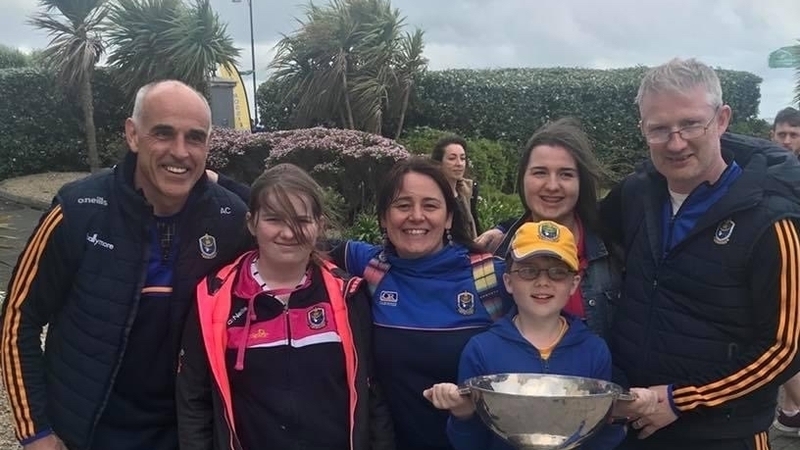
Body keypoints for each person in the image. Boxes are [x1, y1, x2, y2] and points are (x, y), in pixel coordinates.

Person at [0, 80, 250, 450]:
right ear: (133, 135)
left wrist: (363, 262)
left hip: (189, 435)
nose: (180, 152)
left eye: (195, 138)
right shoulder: (78, 210)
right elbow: (18, 318)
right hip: (89, 432)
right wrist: (36, 433)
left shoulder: (230, 219)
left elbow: (294, 238)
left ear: (208, 145)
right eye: (163, 133)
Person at [601, 58, 800, 449]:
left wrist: (681, 400)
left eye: (691, 124)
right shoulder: (637, 193)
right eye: (659, 129)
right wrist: (504, 231)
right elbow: (579, 218)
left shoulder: (772, 221)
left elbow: (786, 348)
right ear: (643, 130)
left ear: (722, 119)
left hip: (724, 435)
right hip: (635, 426)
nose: (676, 143)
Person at [176, 163, 394, 450]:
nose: (289, 233)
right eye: (275, 219)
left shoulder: (347, 295)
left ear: (320, 225)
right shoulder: (214, 298)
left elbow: (372, 392)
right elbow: (194, 400)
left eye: (302, 221)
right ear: (252, 223)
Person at [330, 156, 512, 450]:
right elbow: (295, 243)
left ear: (449, 217)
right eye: (403, 205)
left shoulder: (491, 276)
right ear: (383, 217)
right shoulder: (371, 265)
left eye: (430, 205)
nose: (416, 216)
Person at [424, 220, 644, 450]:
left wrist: (615, 418)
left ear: (573, 283)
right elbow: (469, 444)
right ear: (508, 281)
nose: (542, 282)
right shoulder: (481, 350)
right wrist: (463, 415)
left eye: (557, 272)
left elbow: (597, 442)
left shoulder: (594, 351)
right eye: (528, 271)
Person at [475, 118, 621, 339]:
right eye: (540, 172)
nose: (552, 186)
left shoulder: (611, 250)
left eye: (566, 174)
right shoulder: (495, 256)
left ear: (581, 182)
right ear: (522, 179)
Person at [771, 106, 800, 435]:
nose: (787, 140)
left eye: (793, 135)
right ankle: (793, 409)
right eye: (782, 134)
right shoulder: (765, 168)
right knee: (783, 340)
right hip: (781, 265)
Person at [431, 135, 481, 239]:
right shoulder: (431, 193)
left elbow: (474, 225)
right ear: (439, 163)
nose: (459, 164)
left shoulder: (467, 192)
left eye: (462, 158)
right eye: (452, 158)